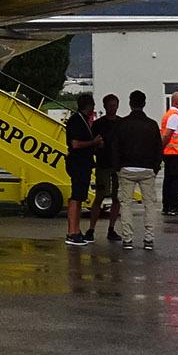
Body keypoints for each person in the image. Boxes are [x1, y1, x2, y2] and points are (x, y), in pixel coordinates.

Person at [110, 91, 167, 249]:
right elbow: (158, 148)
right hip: (147, 169)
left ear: (130, 103)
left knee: (126, 204)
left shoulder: (122, 124)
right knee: (149, 204)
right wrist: (155, 167)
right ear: (144, 103)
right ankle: (148, 238)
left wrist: (117, 167)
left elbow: (115, 147)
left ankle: (127, 238)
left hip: (126, 168)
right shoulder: (151, 124)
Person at [63, 95, 99, 246]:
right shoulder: (76, 121)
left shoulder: (80, 120)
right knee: (76, 198)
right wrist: (94, 142)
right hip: (78, 163)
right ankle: (72, 232)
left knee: (79, 196)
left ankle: (76, 230)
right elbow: (75, 144)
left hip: (82, 164)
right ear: (89, 106)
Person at [94, 93, 124, 241]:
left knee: (116, 198)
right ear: (105, 107)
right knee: (99, 196)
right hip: (103, 164)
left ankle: (111, 228)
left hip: (117, 165)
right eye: (110, 105)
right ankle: (92, 228)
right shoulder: (98, 124)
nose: (113, 108)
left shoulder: (122, 123)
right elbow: (92, 143)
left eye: (115, 105)